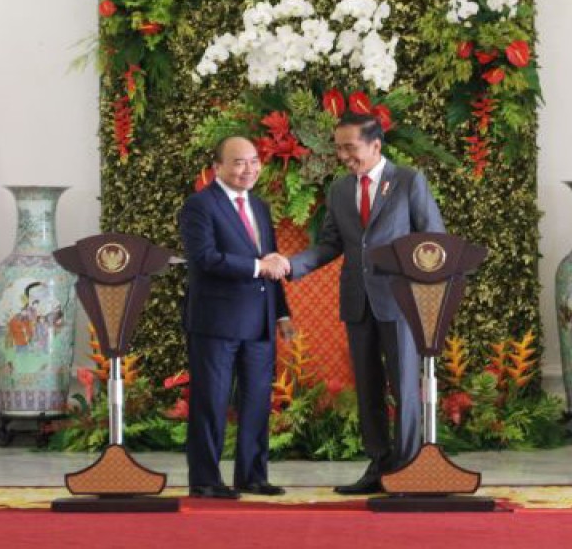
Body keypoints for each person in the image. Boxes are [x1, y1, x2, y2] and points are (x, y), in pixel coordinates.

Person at [287, 113, 445, 495]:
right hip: (358, 303)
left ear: (375, 145)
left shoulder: (408, 181)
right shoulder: (340, 190)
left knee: (406, 387)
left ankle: (406, 468)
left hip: (401, 304)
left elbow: (433, 241)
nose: (342, 155)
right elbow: (330, 244)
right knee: (369, 388)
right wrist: (291, 264)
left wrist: (427, 298)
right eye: (338, 147)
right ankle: (379, 465)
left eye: (349, 147)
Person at [179, 136, 296, 499]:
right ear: (217, 167)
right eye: (239, 162)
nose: (249, 169)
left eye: (254, 161)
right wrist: (258, 266)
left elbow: (272, 263)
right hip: (216, 323)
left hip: (259, 322)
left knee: (258, 401)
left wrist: (280, 313)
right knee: (211, 403)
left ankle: (252, 476)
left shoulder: (259, 206)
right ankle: (206, 480)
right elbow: (205, 258)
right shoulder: (199, 206)